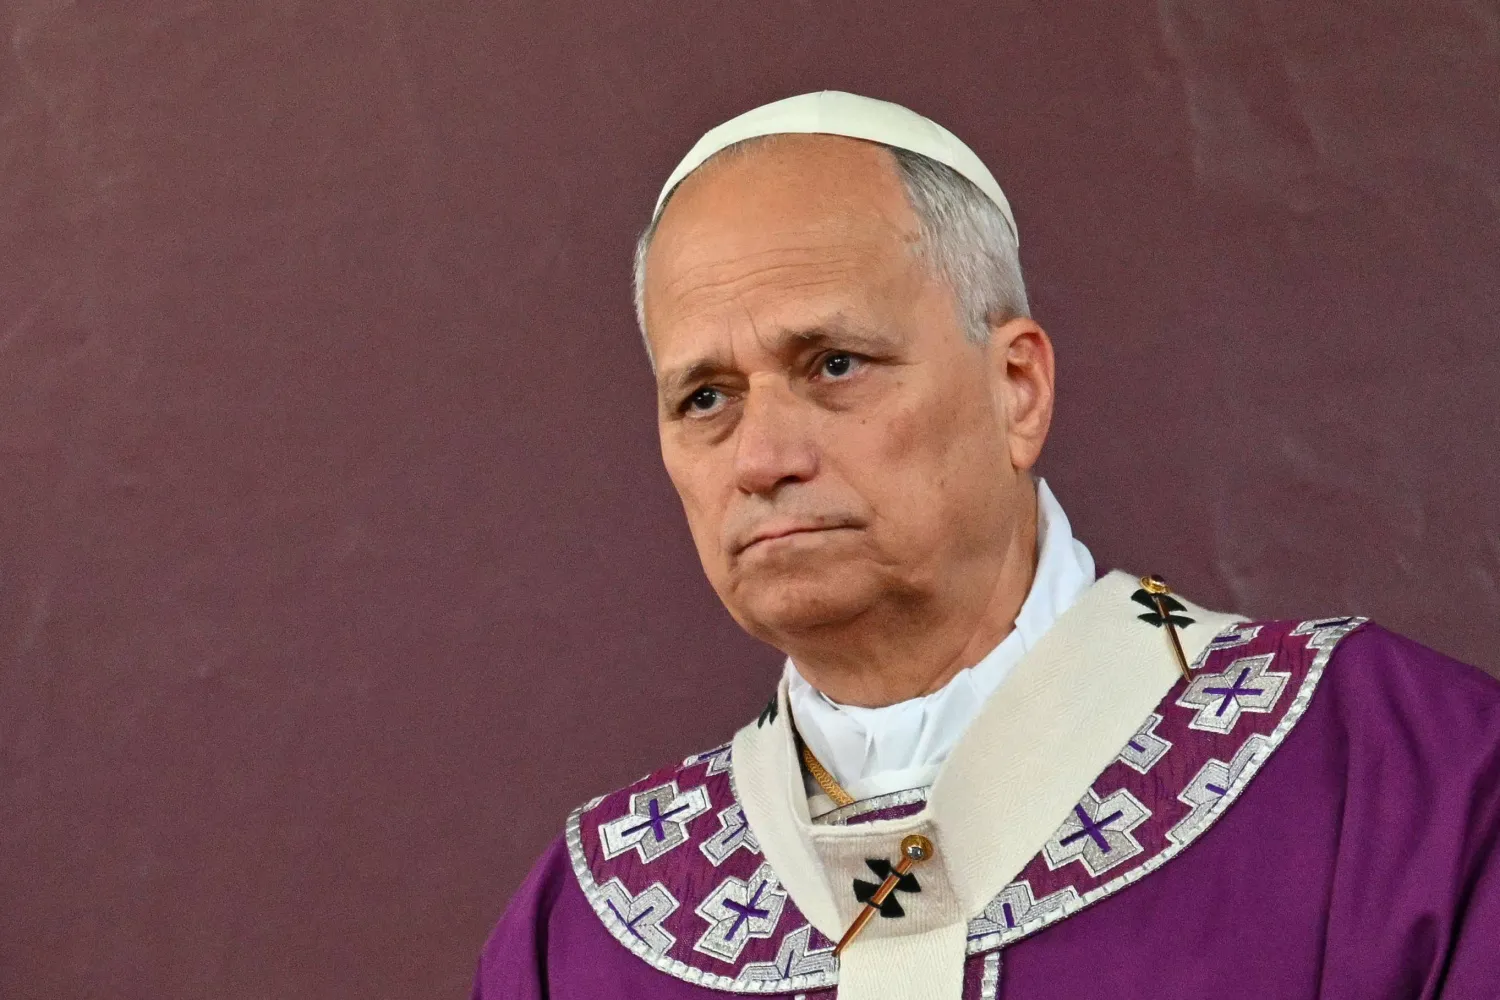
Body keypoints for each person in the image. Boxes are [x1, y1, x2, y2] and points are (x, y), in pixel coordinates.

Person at [471, 91, 1500, 999]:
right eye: (706, 397)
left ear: (1018, 389)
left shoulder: (1400, 780)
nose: (763, 456)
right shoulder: (594, 928)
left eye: (834, 363)